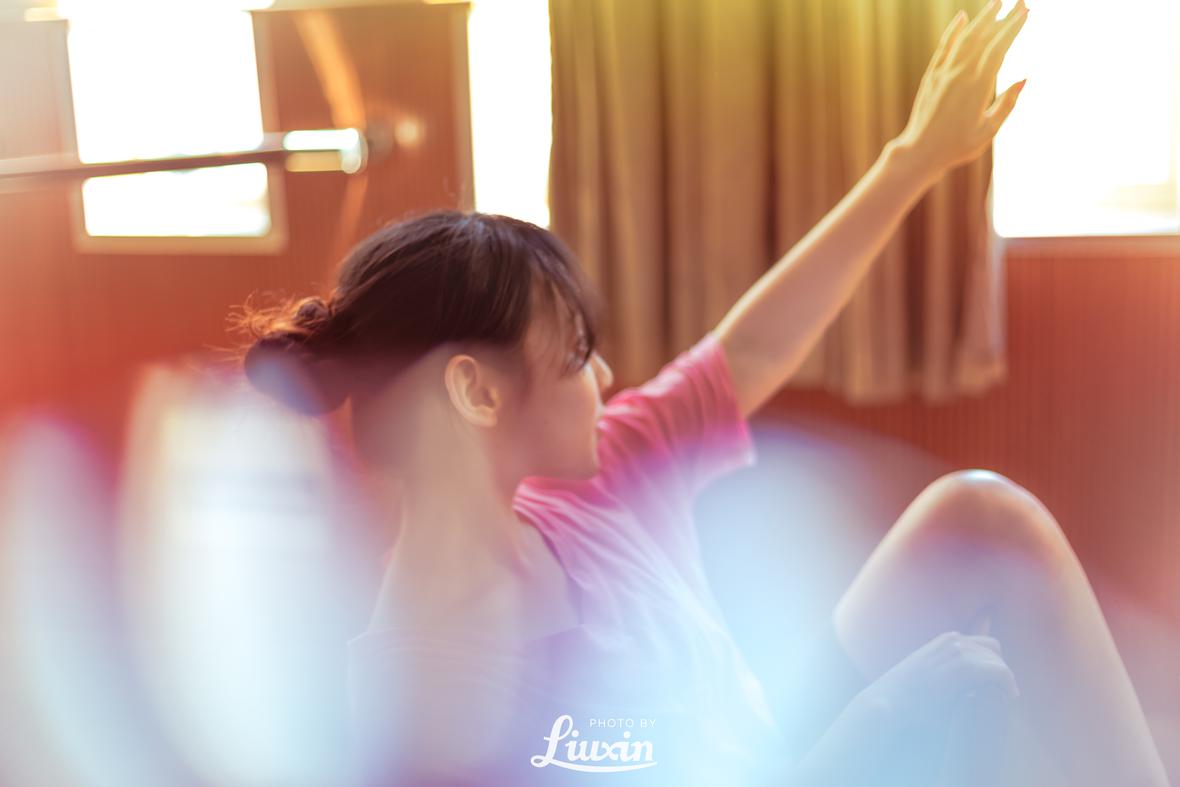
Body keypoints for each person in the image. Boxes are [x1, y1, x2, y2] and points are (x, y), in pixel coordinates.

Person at [234, 1, 1171, 784]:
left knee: (982, 513)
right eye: (579, 354)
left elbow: (751, 346)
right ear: (477, 392)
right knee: (965, 701)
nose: (606, 377)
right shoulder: (433, 691)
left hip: (771, 740)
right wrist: (878, 721)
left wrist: (913, 159)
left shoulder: (591, 479)